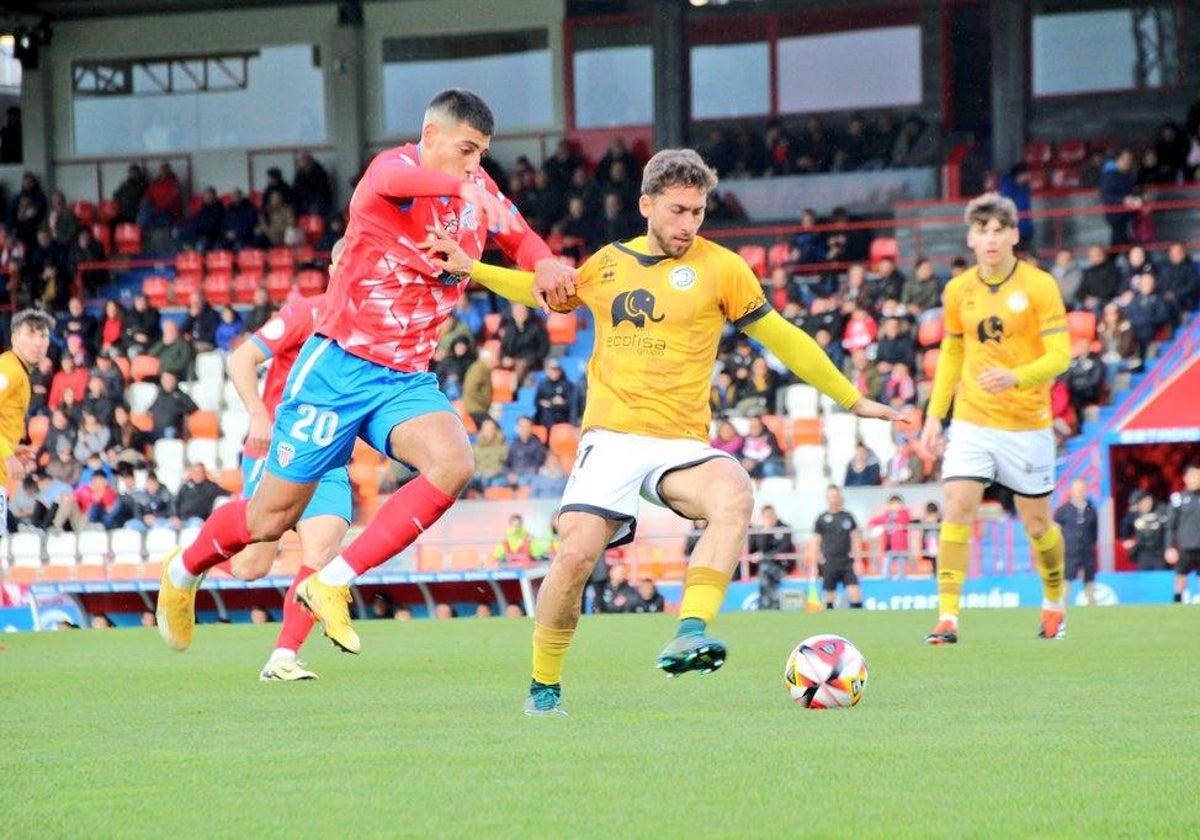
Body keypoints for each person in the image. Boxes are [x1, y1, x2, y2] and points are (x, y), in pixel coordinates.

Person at [430, 148, 898, 715]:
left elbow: (784, 337)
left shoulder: (722, 268)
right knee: (575, 555)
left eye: (698, 212)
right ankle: (544, 685)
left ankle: (690, 631)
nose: (688, 225)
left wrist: (852, 399)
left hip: (680, 445)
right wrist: (469, 267)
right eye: (677, 211)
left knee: (735, 492)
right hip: (611, 439)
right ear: (646, 204)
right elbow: (539, 291)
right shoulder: (606, 265)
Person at [154, 88, 572, 656]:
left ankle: (331, 581)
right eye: (467, 149)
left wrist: (543, 260)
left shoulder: (478, 191)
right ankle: (183, 572)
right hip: (337, 371)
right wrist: (470, 188)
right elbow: (399, 185)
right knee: (267, 522)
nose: (476, 164)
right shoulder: (390, 171)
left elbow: (518, 236)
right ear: (431, 137)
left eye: (482, 154)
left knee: (454, 463)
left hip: (403, 377)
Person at [920, 193, 1071, 645]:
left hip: (1027, 424)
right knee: (958, 506)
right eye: (982, 230)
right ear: (971, 237)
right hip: (972, 420)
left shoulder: (1041, 286)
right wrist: (935, 416)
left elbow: (1062, 355)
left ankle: (1053, 602)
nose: (990, 239)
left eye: (998, 230)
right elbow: (952, 350)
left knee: (1038, 525)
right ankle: (947, 618)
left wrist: (1017, 376)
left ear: (1013, 235)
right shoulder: (957, 289)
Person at [220, 282, 353, 680]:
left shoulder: (379, 327)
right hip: (280, 449)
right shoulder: (304, 313)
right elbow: (241, 359)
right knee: (250, 566)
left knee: (322, 552)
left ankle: (283, 657)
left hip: (330, 452)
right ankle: (196, 556)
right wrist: (259, 415)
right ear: (340, 269)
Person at [0, 310, 54, 527]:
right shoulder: (9, 370)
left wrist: (12, 448)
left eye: (43, 336)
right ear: (14, 338)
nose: (38, 342)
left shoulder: (19, 372)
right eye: (30, 335)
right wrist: (8, 456)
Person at [811, 486, 863, 609]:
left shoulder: (848, 517)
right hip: (829, 561)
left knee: (854, 593)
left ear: (840, 497)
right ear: (827, 498)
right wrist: (815, 564)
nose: (834, 499)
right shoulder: (821, 518)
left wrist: (858, 561)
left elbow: (856, 539)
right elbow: (816, 542)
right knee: (829, 596)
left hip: (847, 561)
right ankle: (829, 624)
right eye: (831, 496)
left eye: (836, 496)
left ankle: (860, 623)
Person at [1053, 478, 1099, 606]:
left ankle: (1092, 606)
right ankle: (1061, 607)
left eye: (1082, 490)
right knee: (1066, 579)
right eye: (1077, 490)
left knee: (1089, 579)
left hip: (1087, 551)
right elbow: (1055, 529)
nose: (1080, 493)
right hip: (1069, 552)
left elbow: (1095, 532)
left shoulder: (1091, 510)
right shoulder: (1063, 510)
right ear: (1071, 491)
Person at [748, 505, 795, 609]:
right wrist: (766, 531)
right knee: (764, 570)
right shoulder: (761, 530)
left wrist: (764, 556)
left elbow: (785, 547)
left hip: (782, 567)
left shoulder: (784, 528)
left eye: (771, 515)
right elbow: (757, 547)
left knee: (764, 569)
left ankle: (766, 604)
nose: (770, 518)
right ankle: (771, 604)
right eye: (766, 516)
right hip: (765, 567)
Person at [1166, 465, 1200, 604]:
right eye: (1193, 476)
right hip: (1184, 547)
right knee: (1180, 577)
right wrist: (1169, 547)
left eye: (1198, 476)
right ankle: (1177, 602)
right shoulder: (1178, 499)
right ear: (1185, 478)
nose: (1196, 479)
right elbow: (1170, 526)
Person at [868, 495, 913, 578]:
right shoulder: (886, 515)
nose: (895, 506)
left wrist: (897, 515)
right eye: (893, 504)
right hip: (888, 547)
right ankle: (886, 582)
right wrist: (871, 524)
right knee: (886, 568)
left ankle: (901, 584)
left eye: (898, 504)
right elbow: (876, 520)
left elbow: (905, 521)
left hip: (901, 547)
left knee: (901, 569)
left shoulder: (905, 513)